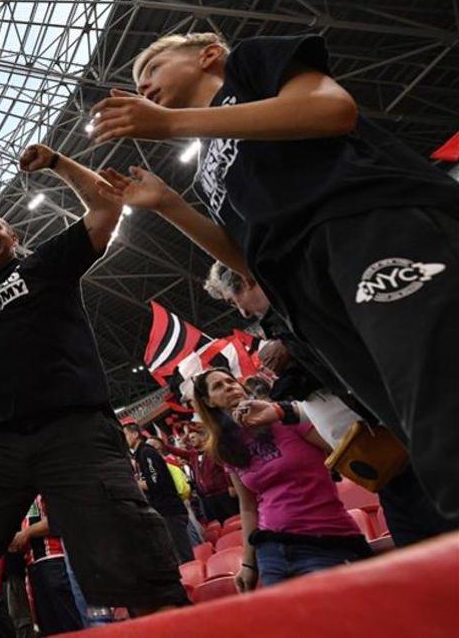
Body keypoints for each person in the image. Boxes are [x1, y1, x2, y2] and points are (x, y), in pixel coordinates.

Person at [93, 31, 459, 520]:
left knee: (442, 401)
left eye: (151, 72)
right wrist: (168, 204)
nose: (144, 89)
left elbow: (332, 110)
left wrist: (172, 123)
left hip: (364, 224)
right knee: (408, 423)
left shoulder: (248, 67)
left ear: (206, 55)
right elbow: (246, 257)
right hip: (304, 292)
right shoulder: (207, 165)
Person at [0, 143, 186, 636]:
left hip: (74, 427)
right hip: (1, 440)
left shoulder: (46, 264)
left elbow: (105, 207)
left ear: (15, 236)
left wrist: (57, 161)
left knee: (131, 558)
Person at [203, 261, 459, 546]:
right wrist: (280, 409)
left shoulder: (310, 308)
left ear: (245, 280)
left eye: (234, 300)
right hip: (385, 468)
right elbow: (327, 399)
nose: (242, 312)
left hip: (413, 448)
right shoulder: (284, 330)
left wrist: (293, 342)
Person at [191, 368, 371, 589]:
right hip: (271, 553)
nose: (229, 386)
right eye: (218, 386)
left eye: (231, 381)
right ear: (209, 402)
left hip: (326, 540)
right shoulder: (227, 447)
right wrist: (249, 564)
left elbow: (342, 449)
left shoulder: (283, 418)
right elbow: (247, 507)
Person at [9, 498, 83, 634]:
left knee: (69, 625)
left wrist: (26, 533)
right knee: (49, 627)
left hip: (55, 559)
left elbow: (58, 518)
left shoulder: (47, 485)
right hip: (32, 565)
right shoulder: (23, 493)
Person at [124, 423, 194, 563]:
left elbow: (155, 481)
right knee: (176, 555)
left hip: (170, 510)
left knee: (183, 555)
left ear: (135, 434)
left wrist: (133, 484)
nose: (122, 439)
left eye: (124, 435)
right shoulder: (139, 456)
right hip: (162, 511)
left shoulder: (146, 452)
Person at [165, 424, 238, 525]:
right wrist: (180, 440)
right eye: (189, 439)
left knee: (235, 521)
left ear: (202, 437)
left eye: (193, 437)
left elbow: (226, 469)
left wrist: (231, 485)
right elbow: (176, 451)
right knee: (221, 526)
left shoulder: (213, 450)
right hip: (208, 499)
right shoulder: (192, 455)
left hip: (223, 493)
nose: (191, 440)